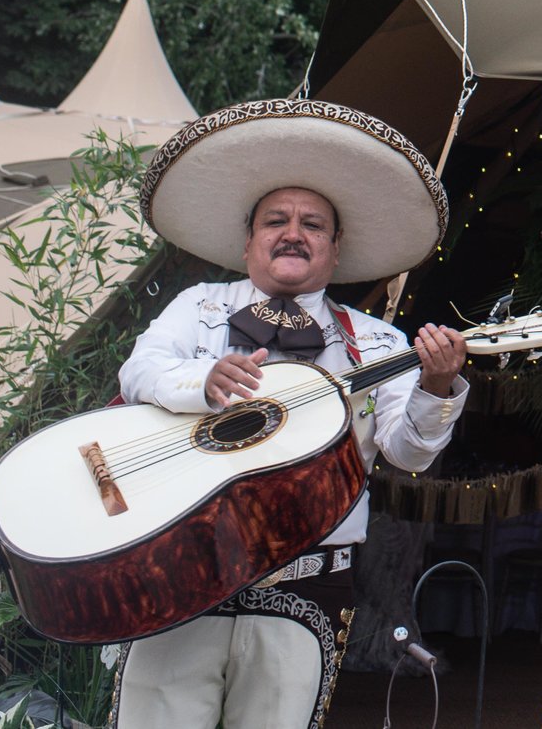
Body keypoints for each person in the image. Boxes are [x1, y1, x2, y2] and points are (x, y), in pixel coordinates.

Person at [110, 98, 470, 729]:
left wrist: (437, 388)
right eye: (276, 219)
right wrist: (203, 380)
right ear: (248, 242)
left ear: (334, 251)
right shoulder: (198, 307)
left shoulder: (378, 343)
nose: (293, 232)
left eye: (313, 224)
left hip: (307, 583)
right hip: (181, 562)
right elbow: (137, 375)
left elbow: (408, 453)